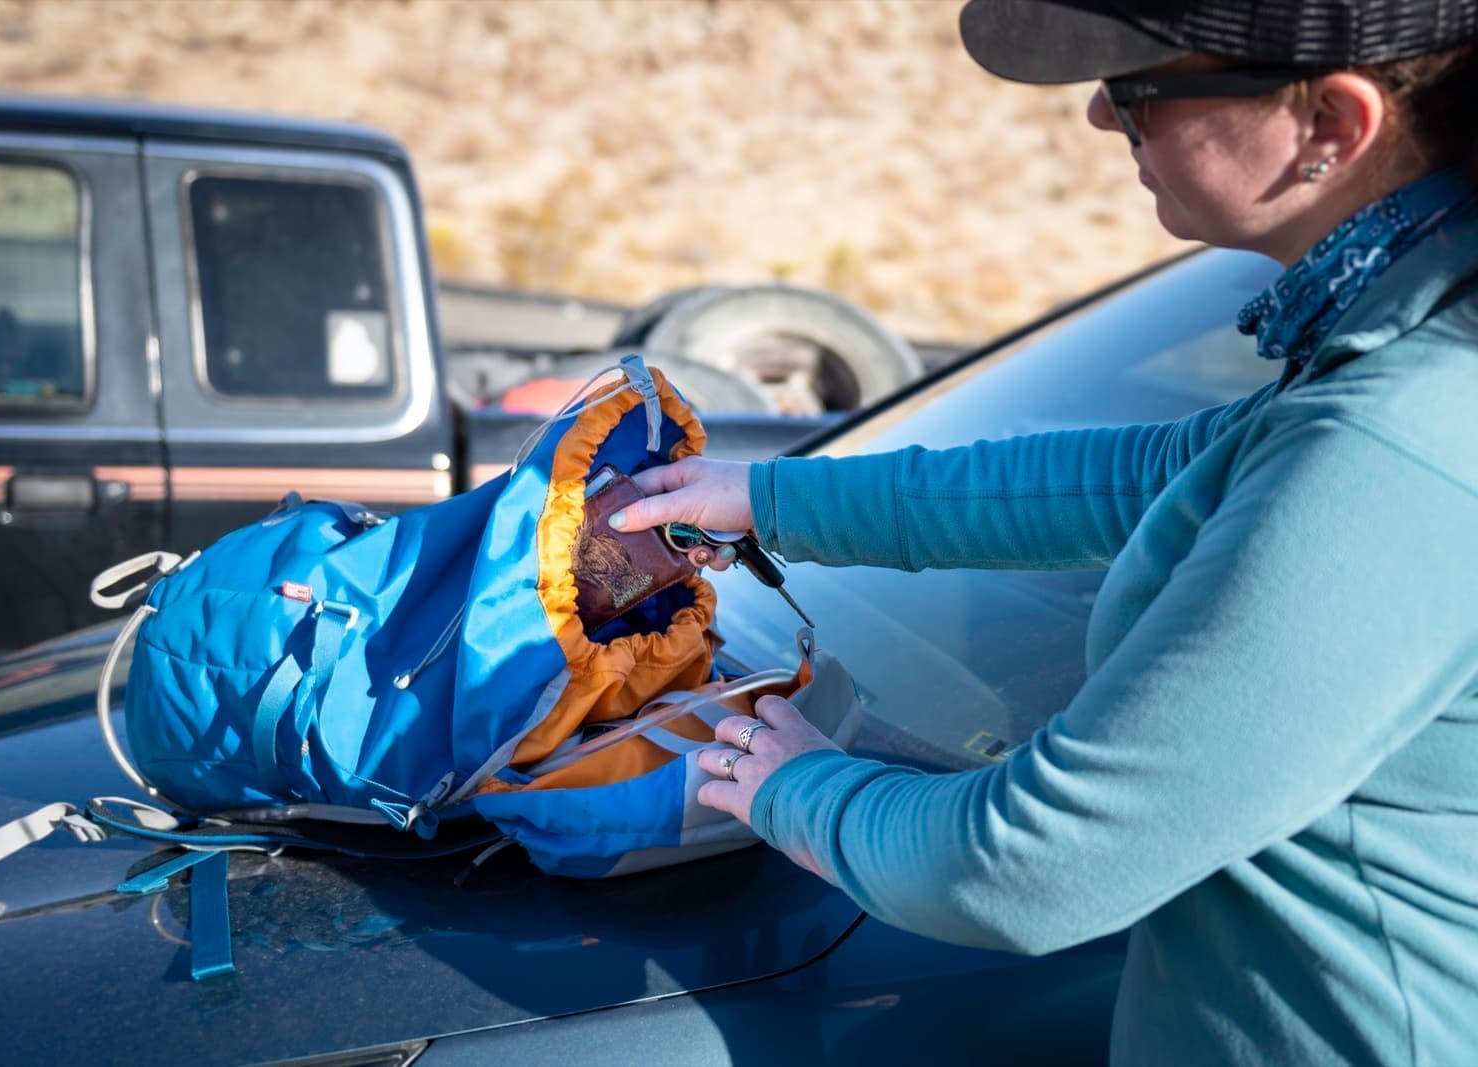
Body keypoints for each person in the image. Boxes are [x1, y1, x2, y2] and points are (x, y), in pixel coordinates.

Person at [608, 1, 1478, 1063]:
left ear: (1332, 126)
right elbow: (1135, 475)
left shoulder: (1401, 438)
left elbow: (1032, 866)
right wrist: (766, 498)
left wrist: (795, 786)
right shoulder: (1385, 360)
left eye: (1141, 88)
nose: (1100, 118)